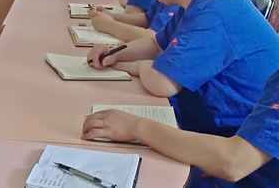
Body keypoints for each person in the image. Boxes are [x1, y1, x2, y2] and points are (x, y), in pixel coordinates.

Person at [87, 0, 279, 166]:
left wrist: (136, 125)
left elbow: (162, 83)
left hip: (228, 139)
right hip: (210, 124)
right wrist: (116, 53)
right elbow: (157, 44)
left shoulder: (215, 10)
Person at [82, 69, 279, 187]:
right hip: (237, 154)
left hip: (239, 169)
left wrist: (135, 127)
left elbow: (233, 162)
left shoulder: (214, 14)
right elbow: (155, 44)